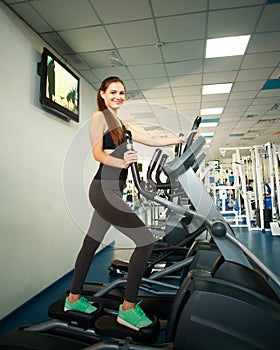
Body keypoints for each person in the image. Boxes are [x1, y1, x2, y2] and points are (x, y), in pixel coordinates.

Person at [64, 76, 190, 331]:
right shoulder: (98, 117)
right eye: (113, 92)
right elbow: (98, 153)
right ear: (102, 94)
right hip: (104, 190)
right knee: (145, 242)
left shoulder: (120, 123)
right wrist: (122, 162)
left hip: (113, 190)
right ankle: (128, 309)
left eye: (121, 92)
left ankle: (73, 299)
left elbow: (150, 139)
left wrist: (178, 140)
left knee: (90, 244)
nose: (118, 96)